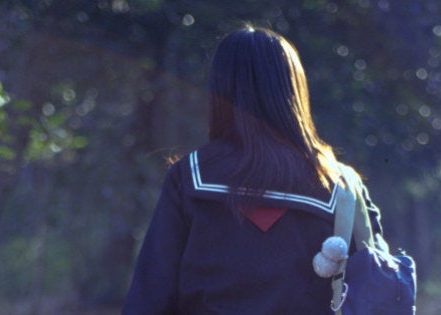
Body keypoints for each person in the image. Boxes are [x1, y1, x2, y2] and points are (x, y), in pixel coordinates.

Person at [122, 25, 383, 314]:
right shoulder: (341, 185)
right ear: (294, 89)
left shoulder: (191, 176)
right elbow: (377, 290)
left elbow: (150, 295)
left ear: (220, 89)